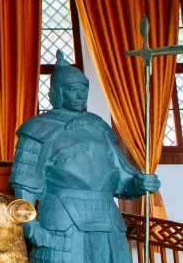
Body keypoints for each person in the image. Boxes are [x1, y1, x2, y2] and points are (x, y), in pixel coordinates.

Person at [11, 50, 160, 263]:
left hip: (107, 217)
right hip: (62, 219)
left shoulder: (99, 126)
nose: (80, 96)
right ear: (57, 92)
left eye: (83, 90)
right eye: (72, 90)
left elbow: (121, 179)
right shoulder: (38, 127)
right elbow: (25, 183)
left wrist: (139, 183)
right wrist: (29, 224)